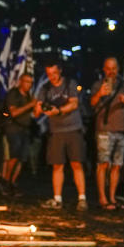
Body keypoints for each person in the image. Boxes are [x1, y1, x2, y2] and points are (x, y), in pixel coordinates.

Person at [36, 63, 87, 210]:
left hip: (73, 128)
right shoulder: (45, 88)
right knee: (57, 165)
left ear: (60, 71)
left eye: (54, 73)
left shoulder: (70, 84)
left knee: (76, 163)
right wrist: (41, 107)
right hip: (56, 131)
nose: (51, 77)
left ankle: (82, 198)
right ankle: (57, 199)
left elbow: (74, 104)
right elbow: (38, 109)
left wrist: (57, 110)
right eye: (48, 73)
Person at [89, 57, 124, 209]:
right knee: (103, 164)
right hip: (104, 129)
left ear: (118, 69)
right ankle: (102, 198)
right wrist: (100, 93)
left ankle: (112, 197)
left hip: (121, 129)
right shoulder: (97, 85)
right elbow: (92, 104)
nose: (111, 71)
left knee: (117, 165)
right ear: (104, 69)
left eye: (113, 68)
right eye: (108, 68)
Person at [1, 72, 37, 195]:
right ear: (21, 81)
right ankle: (6, 181)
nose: (29, 85)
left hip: (25, 129)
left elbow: (35, 113)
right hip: (13, 128)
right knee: (14, 156)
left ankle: (13, 182)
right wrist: (30, 105)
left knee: (22, 158)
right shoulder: (13, 93)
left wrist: (37, 107)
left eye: (31, 83)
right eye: (27, 82)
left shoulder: (29, 96)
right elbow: (14, 113)